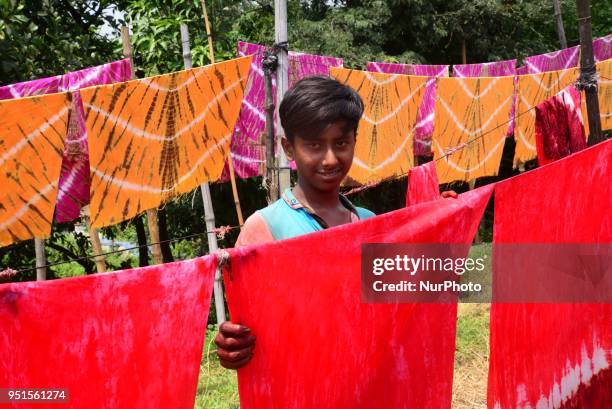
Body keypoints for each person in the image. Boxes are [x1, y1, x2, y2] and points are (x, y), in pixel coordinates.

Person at [214, 76, 457, 369]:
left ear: (354, 140)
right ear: (288, 148)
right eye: (314, 145)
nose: (330, 159)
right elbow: (248, 324)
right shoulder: (265, 228)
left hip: (367, 383)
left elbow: (405, 300)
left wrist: (440, 226)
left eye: (341, 143)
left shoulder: (369, 223)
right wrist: (234, 344)